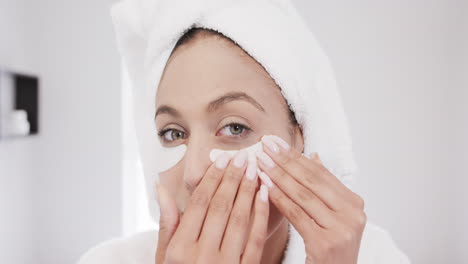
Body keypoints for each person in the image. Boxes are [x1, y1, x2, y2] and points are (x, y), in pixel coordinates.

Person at [78, 1, 411, 263]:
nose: (194, 174)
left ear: (301, 139)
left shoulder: (371, 257)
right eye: (173, 133)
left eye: (234, 127)